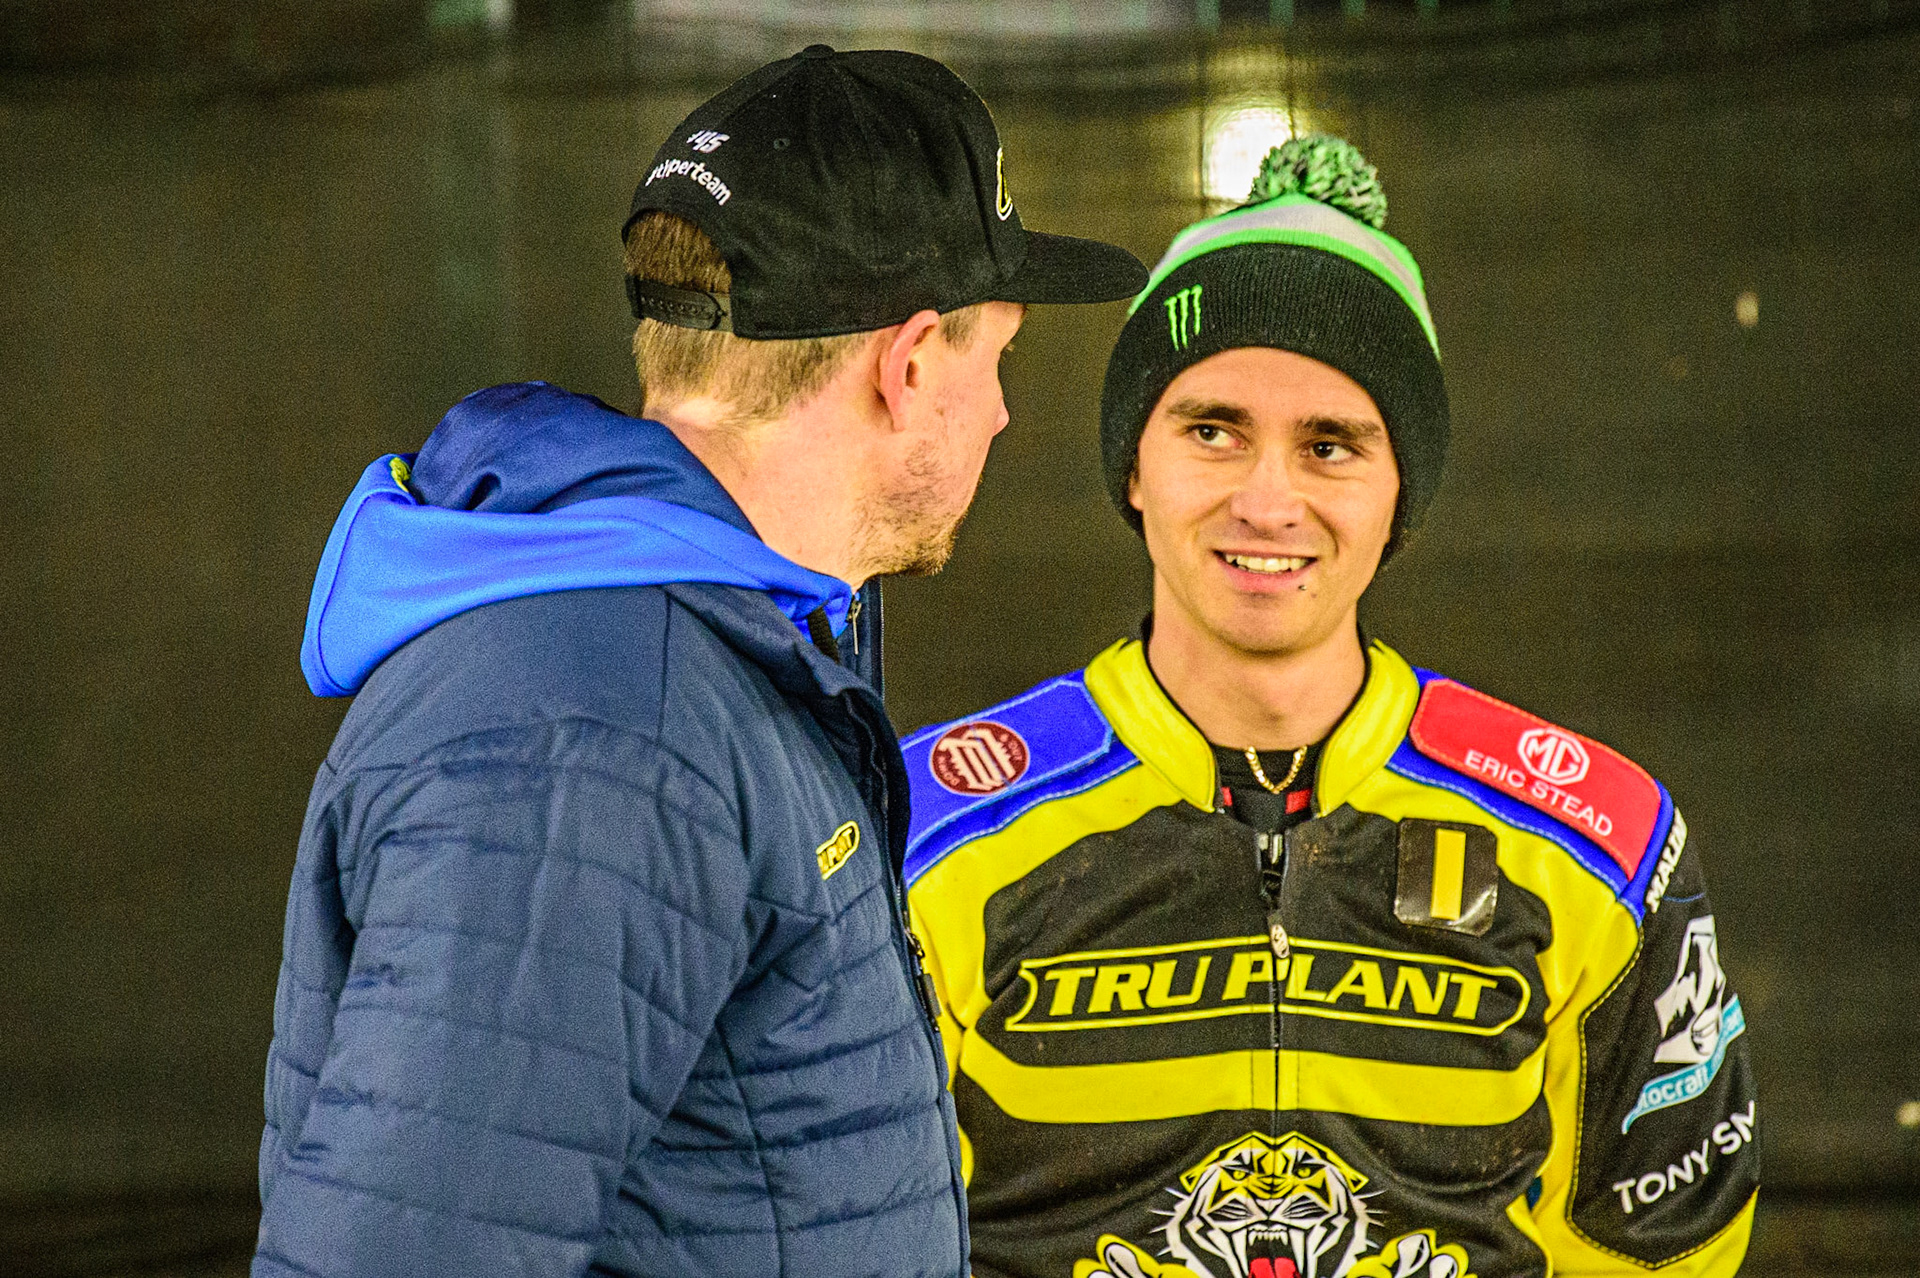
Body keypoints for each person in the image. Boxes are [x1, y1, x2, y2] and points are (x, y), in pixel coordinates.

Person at [252, 45, 1145, 1278]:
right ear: (911, 361)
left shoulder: (719, 651)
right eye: (1000, 357)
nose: (999, 412)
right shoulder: (603, 735)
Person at [902, 136, 1756, 1278]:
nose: (1268, 500)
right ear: (1132, 468)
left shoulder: (1598, 840)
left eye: (1331, 446)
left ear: (1402, 489)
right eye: (1212, 430)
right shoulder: (922, 830)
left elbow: (1669, 1247)